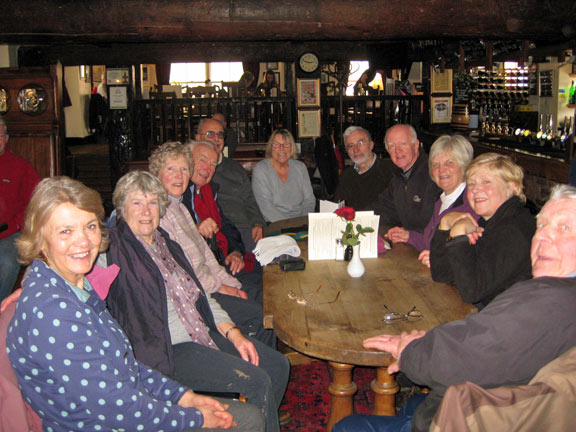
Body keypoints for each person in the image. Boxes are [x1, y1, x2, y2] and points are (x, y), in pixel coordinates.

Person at [6, 176, 255, 431]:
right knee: (247, 419)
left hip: (137, 397)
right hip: (114, 418)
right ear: (40, 236)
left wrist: (182, 396)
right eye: (65, 231)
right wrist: (195, 417)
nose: (83, 241)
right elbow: (118, 408)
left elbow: (124, 365)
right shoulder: (53, 311)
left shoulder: (77, 288)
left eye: (90, 227)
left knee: (251, 400)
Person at [334, 183, 576, 432]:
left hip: (474, 417)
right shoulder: (556, 292)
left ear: (512, 187)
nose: (544, 235)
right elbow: (492, 337)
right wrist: (431, 340)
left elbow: (465, 356)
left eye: (564, 228)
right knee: (418, 401)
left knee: (347, 426)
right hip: (506, 394)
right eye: (543, 225)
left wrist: (410, 351)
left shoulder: (545, 302)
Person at [105, 171, 288, 432]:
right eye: (136, 203)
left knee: (278, 365)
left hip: (201, 332)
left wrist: (233, 333)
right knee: (257, 381)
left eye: (152, 202)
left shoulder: (166, 244)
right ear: (122, 209)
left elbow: (200, 295)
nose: (146, 211)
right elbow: (77, 264)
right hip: (166, 349)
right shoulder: (114, 247)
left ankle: (264, 418)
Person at [149, 141, 274, 346]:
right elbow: (185, 274)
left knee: (263, 296)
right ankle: (254, 364)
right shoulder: (157, 214)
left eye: (183, 169)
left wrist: (233, 284)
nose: (179, 176)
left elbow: (208, 258)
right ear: (157, 173)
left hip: (211, 282)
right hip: (197, 296)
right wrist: (224, 288)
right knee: (260, 315)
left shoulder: (179, 208)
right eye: (171, 169)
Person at [430, 152, 535, 309]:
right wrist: (444, 224)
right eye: (471, 184)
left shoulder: (514, 229)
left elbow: (472, 292)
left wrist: (458, 234)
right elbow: (442, 274)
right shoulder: (490, 222)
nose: (476, 190)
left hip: (506, 323)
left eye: (486, 182)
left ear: (511, 187)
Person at [182, 140, 264, 304]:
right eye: (203, 160)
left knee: (265, 278)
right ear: (187, 160)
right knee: (257, 293)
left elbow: (226, 226)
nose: (208, 169)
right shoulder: (180, 194)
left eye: (213, 164)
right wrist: (195, 229)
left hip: (222, 260)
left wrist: (235, 252)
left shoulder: (208, 190)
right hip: (204, 275)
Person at [386, 135, 477, 267]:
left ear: (464, 166)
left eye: (449, 163)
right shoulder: (440, 202)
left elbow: (471, 256)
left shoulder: (471, 203)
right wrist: (409, 236)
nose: (441, 170)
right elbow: (430, 242)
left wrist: (440, 259)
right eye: (435, 164)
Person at [197, 117, 266, 252]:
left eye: (220, 135)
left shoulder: (236, 169)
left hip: (245, 229)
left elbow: (250, 201)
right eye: (210, 134)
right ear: (198, 137)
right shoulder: (193, 171)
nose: (216, 139)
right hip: (217, 232)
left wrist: (258, 223)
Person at [374, 124, 441, 238]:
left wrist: (411, 235)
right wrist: (351, 217)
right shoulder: (399, 177)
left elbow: (435, 223)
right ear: (387, 150)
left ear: (416, 145)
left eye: (403, 144)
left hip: (429, 247)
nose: (397, 151)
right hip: (412, 242)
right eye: (392, 146)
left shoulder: (434, 174)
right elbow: (383, 208)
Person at [0, 116, 40, 302]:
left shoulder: (21, 167)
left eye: (0, 135)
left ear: (6, 138)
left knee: (7, 263)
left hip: (10, 233)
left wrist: (16, 224)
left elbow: (36, 201)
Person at [252, 129, 316, 222]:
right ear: (270, 147)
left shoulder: (300, 167)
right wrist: (288, 225)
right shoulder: (261, 169)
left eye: (286, 145)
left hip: (300, 222)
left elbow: (309, 200)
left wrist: (303, 221)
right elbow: (265, 206)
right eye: (276, 144)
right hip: (274, 223)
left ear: (291, 148)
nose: (281, 148)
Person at [334, 126, 393, 211]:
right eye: (350, 146)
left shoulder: (389, 171)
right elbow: (339, 208)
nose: (356, 149)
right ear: (347, 151)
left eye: (360, 143)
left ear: (371, 145)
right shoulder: (346, 176)